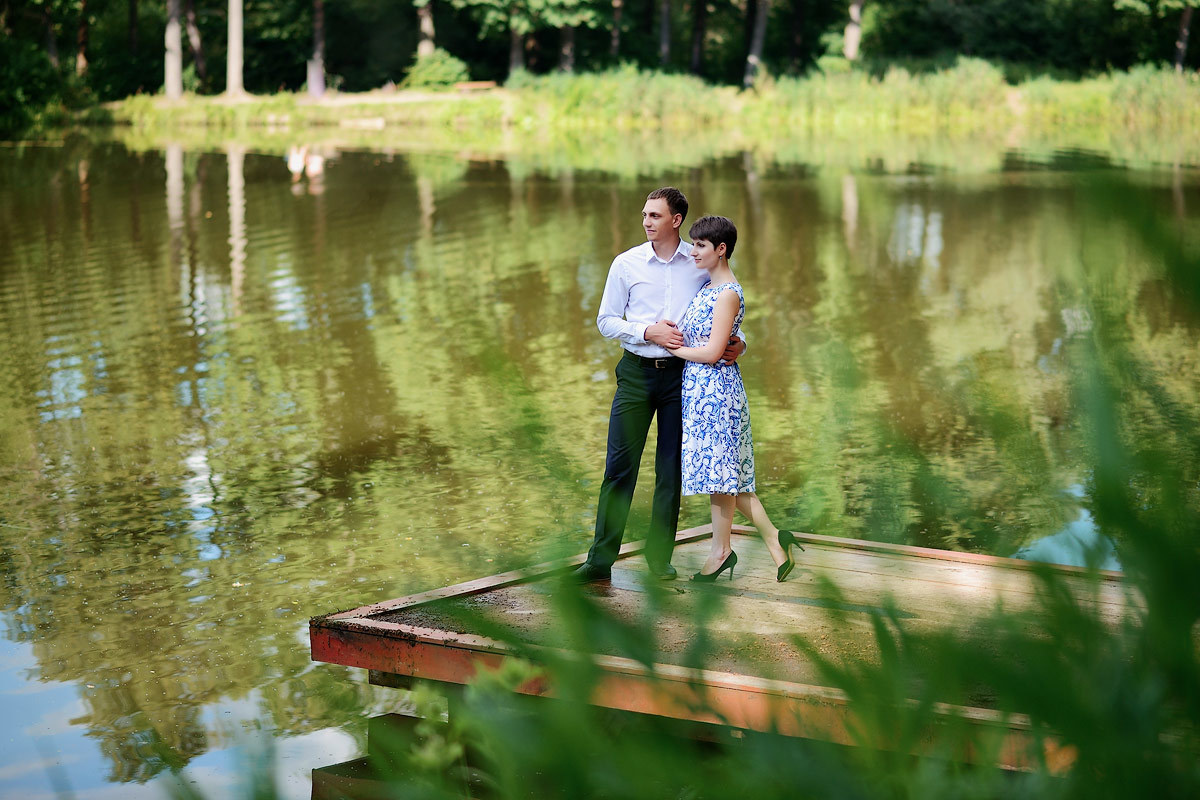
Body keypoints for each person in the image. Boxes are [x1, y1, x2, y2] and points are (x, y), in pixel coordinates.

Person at [574, 188, 746, 583]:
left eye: (655, 215)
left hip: (682, 379)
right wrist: (647, 331)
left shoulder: (699, 260)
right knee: (619, 469)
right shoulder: (626, 264)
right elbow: (606, 320)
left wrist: (740, 344)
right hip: (635, 374)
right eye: (644, 215)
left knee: (670, 470)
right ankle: (599, 561)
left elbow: (724, 307)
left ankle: (658, 557)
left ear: (676, 220)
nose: (647, 221)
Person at [663, 215, 804, 582]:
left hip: (716, 392)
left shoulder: (726, 293)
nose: (693, 251)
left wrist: (673, 349)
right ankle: (760, 543)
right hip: (700, 391)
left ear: (720, 249)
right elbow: (721, 339)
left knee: (721, 477)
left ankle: (732, 549)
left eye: (700, 246)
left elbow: (711, 353)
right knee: (722, 477)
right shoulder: (708, 288)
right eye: (693, 244)